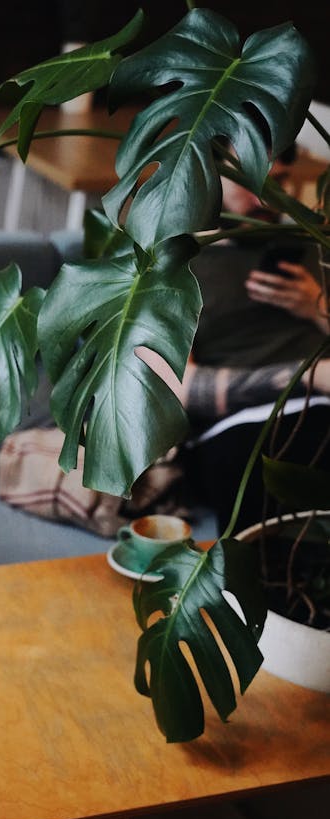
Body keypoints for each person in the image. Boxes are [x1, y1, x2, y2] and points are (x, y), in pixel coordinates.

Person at [139, 146, 330, 533]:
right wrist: (308, 376)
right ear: (206, 177)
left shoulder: (304, 239)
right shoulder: (169, 264)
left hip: (323, 407)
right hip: (235, 429)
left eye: (277, 183)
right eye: (250, 183)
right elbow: (179, 390)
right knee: (268, 463)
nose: (265, 200)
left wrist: (317, 307)